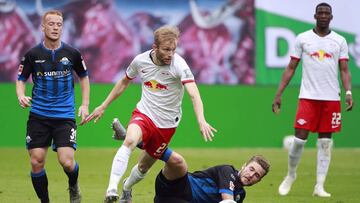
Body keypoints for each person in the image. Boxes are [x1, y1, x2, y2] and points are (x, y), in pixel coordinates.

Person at [83, 25, 217, 203]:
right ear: (155, 47)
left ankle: (126, 188)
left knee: (143, 167)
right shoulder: (140, 61)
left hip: (167, 124)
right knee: (129, 141)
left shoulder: (179, 65)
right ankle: (111, 189)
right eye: (167, 49)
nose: (171, 54)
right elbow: (124, 82)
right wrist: (103, 106)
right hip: (144, 113)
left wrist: (201, 120)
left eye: (174, 49)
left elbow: (194, 93)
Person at [272, 2, 353, 197]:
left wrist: (348, 92)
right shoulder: (303, 39)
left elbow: (344, 69)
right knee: (299, 141)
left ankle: (319, 186)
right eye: (320, 13)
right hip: (308, 97)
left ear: (331, 17)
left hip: (331, 98)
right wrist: (279, 93)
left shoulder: (339, 40)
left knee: (325, 143)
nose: (324, 15)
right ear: (315, 16)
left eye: (327, 13)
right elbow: (291, 67)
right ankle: (291, 175)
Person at [16, 10, 90, 203]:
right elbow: (21, 79)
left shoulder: (72, 53)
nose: (55, 27)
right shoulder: (32, 55)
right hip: (39, 116)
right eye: (51, 24)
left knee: (67, 162)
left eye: (59, 24)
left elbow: (84, 77)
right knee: (36, 161)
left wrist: (85, 104)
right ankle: (45, 201)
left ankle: (73, 185)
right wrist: (20, 95)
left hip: (64, 116)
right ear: (43, 27)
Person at [154, 153, 270, 203]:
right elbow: (227, 200)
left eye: (257, 175)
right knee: (179, 162)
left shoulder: (240, 195)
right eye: (251, 169)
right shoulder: (228, 171)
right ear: (244, 166)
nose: (251, 175)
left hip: (174, 201)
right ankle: (150, 145)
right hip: (177, 185)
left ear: (259, 181)